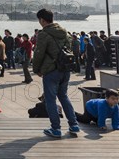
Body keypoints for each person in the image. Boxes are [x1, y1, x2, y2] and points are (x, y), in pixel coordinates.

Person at [32, 8, 79, 138]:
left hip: (51, 71)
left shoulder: (44, 34)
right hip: (65, 68)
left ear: (42, 20)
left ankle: (56, 129)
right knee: (64, 96)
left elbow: (38, 53)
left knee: (50, 100)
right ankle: (74, 125)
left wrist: (36, 69)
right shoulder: (64, 32)